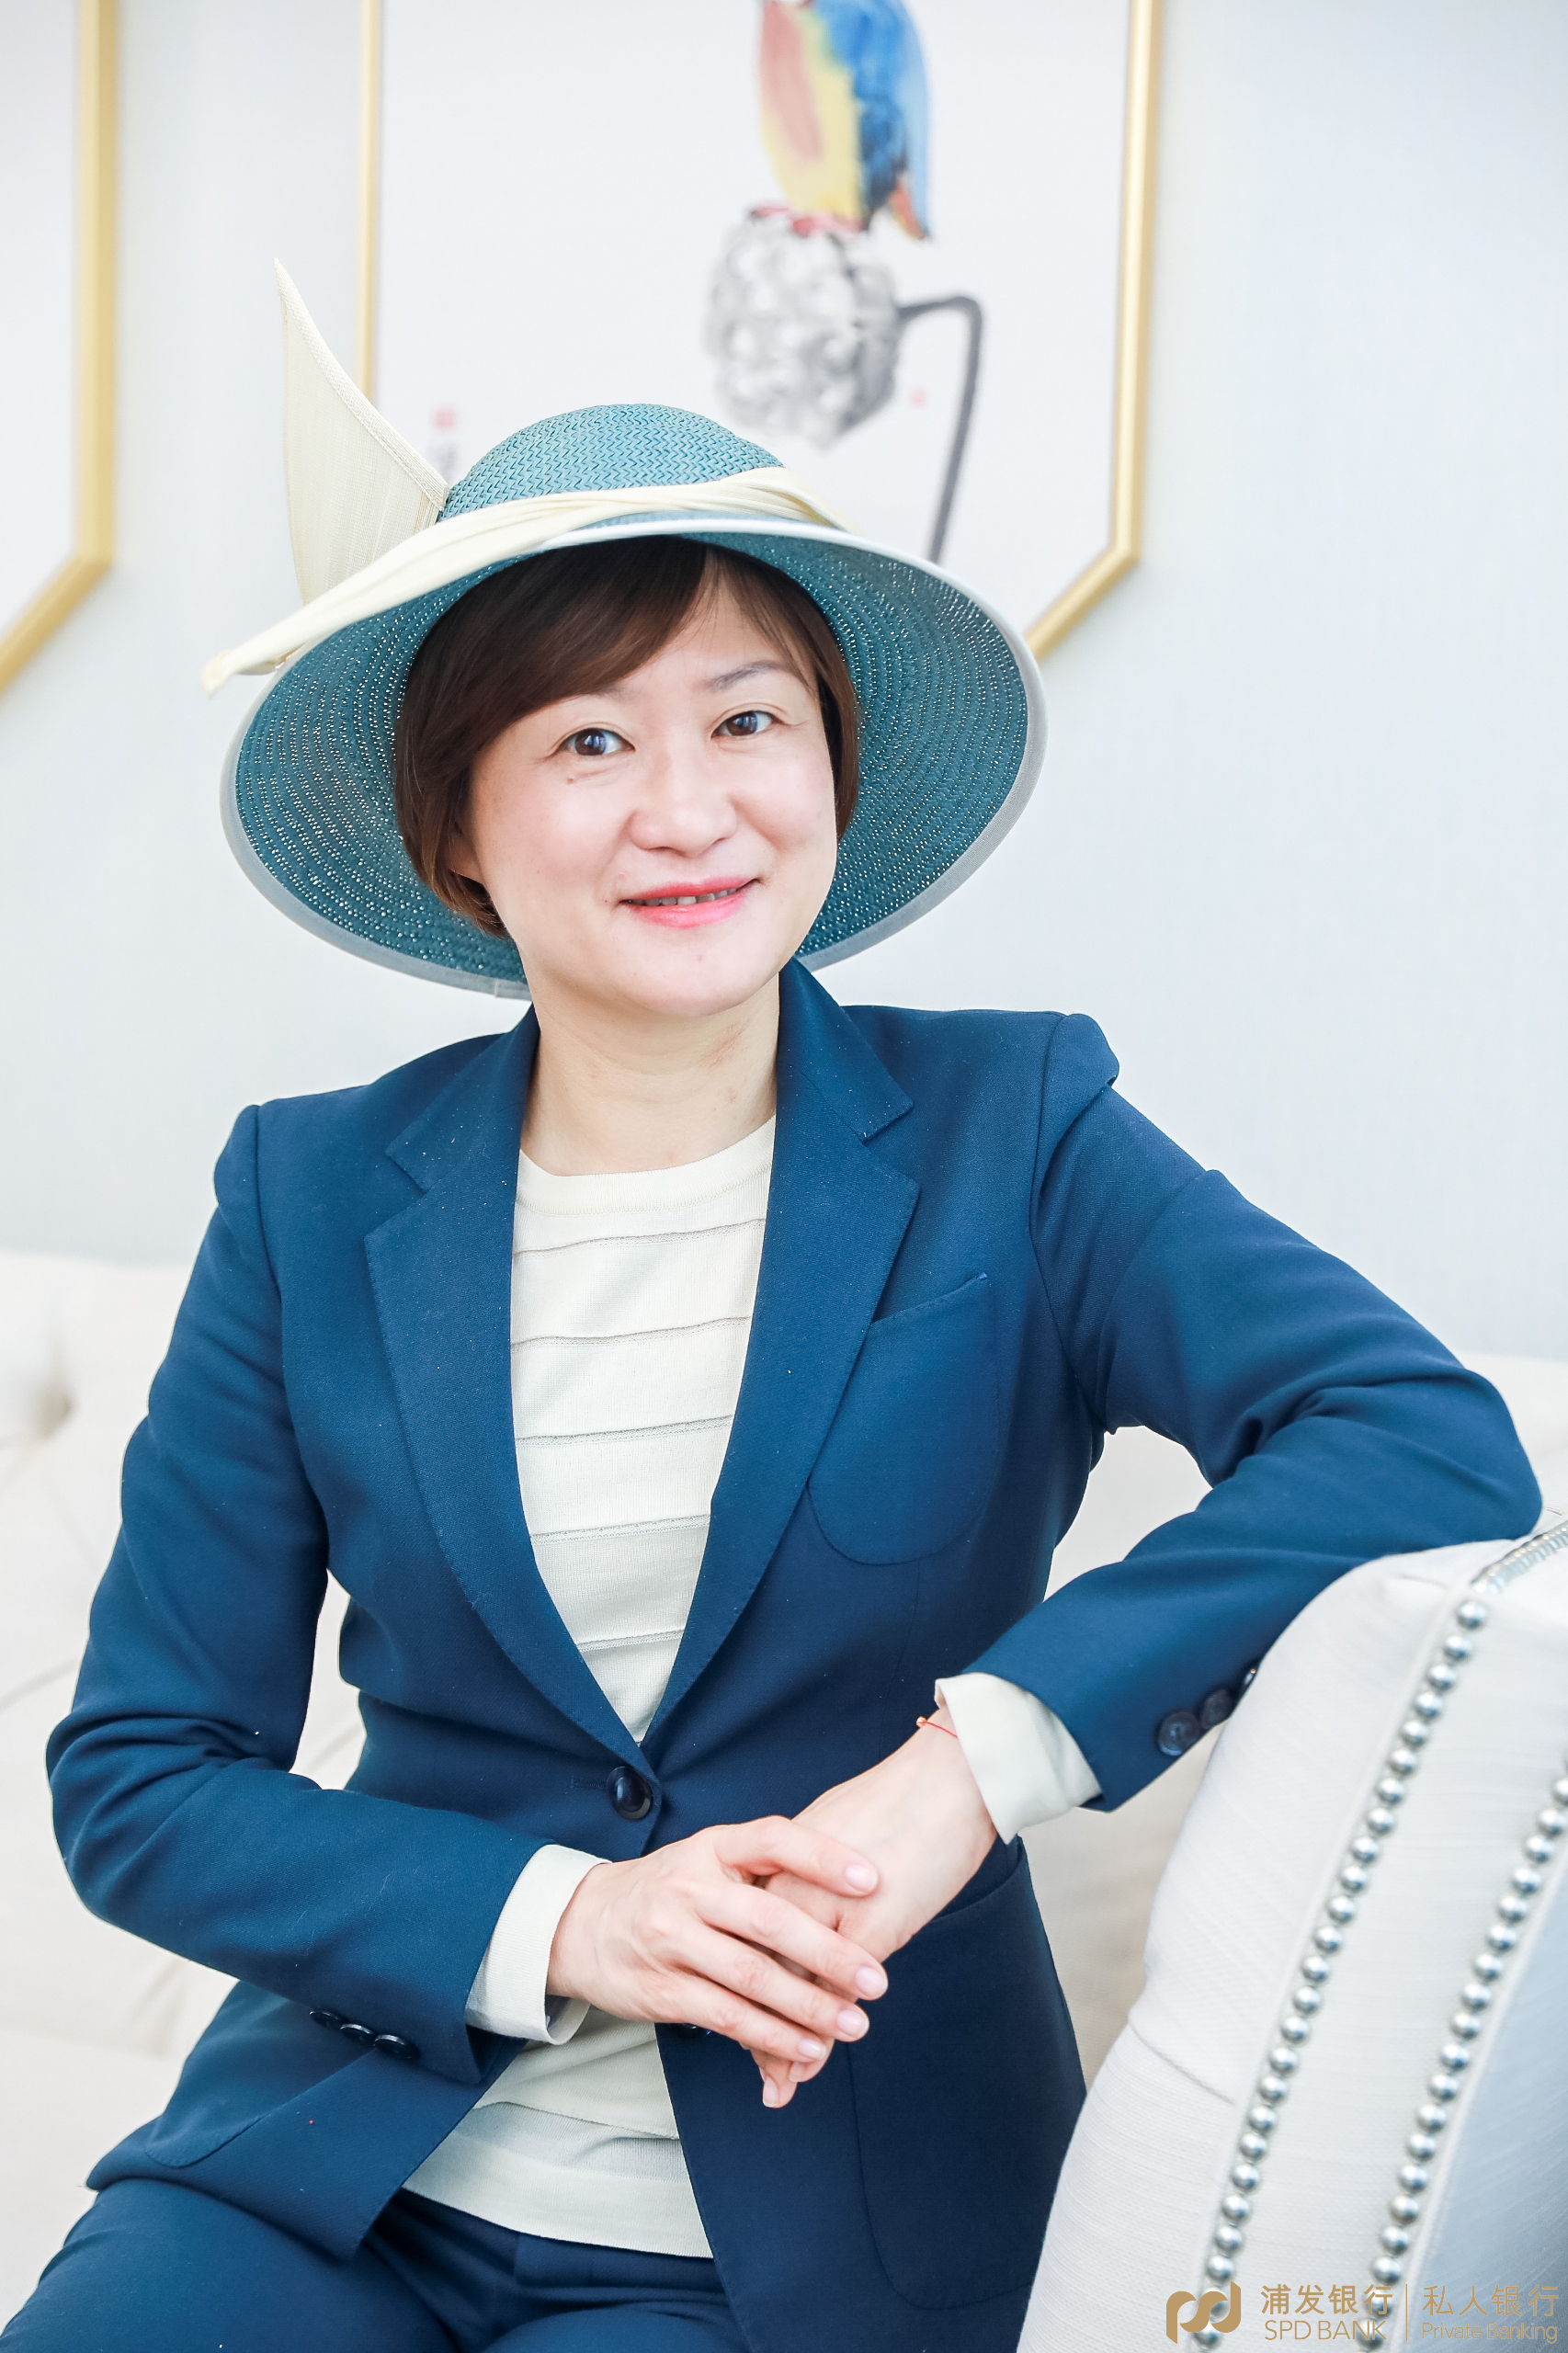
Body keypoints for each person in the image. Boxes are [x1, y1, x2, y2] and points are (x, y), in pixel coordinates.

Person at [9, 285, 1538, 2353]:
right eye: (589, 739)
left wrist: (967, 1766)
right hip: (330, 2175)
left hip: (804, 2235)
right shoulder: (308, 1196)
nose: (689, 805)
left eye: (748, 720)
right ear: (456, 828)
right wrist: (571, 1916)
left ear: (831, 764)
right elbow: (143, 1769)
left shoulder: (1019, 1129)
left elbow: (1416, 1436)